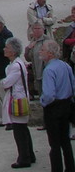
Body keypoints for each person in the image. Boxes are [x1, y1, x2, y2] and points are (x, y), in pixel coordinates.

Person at [39, 39, 75, 172]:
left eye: (42, 49)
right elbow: (73, 85)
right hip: (66, 105)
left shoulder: (49, 70)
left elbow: (49, 94)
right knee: (65, 140)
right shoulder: (65, 66)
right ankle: (70, 167)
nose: (40, 51)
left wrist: (43, 102)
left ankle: (57, 168)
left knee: (54, 144)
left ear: (49, 53)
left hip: (54, 108)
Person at [3, 36, 35, 169]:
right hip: (20, 97)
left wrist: (2, 83)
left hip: (17, 99)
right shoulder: (17, 63)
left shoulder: (15, 66)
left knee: (19, 131)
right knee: (23, 129)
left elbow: (6, 83)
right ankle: (29, 154)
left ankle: (24, 158)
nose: (4, 49)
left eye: (7, 48)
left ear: (13, 51)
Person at [26, 21, 49, 98]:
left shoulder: (47, 40)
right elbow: (28, 58)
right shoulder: (33, 41)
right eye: (35, 28)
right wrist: (28, 49)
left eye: (39, 28)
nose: (37, 30)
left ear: (43, 29)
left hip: (45, 74)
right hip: (36, 74)